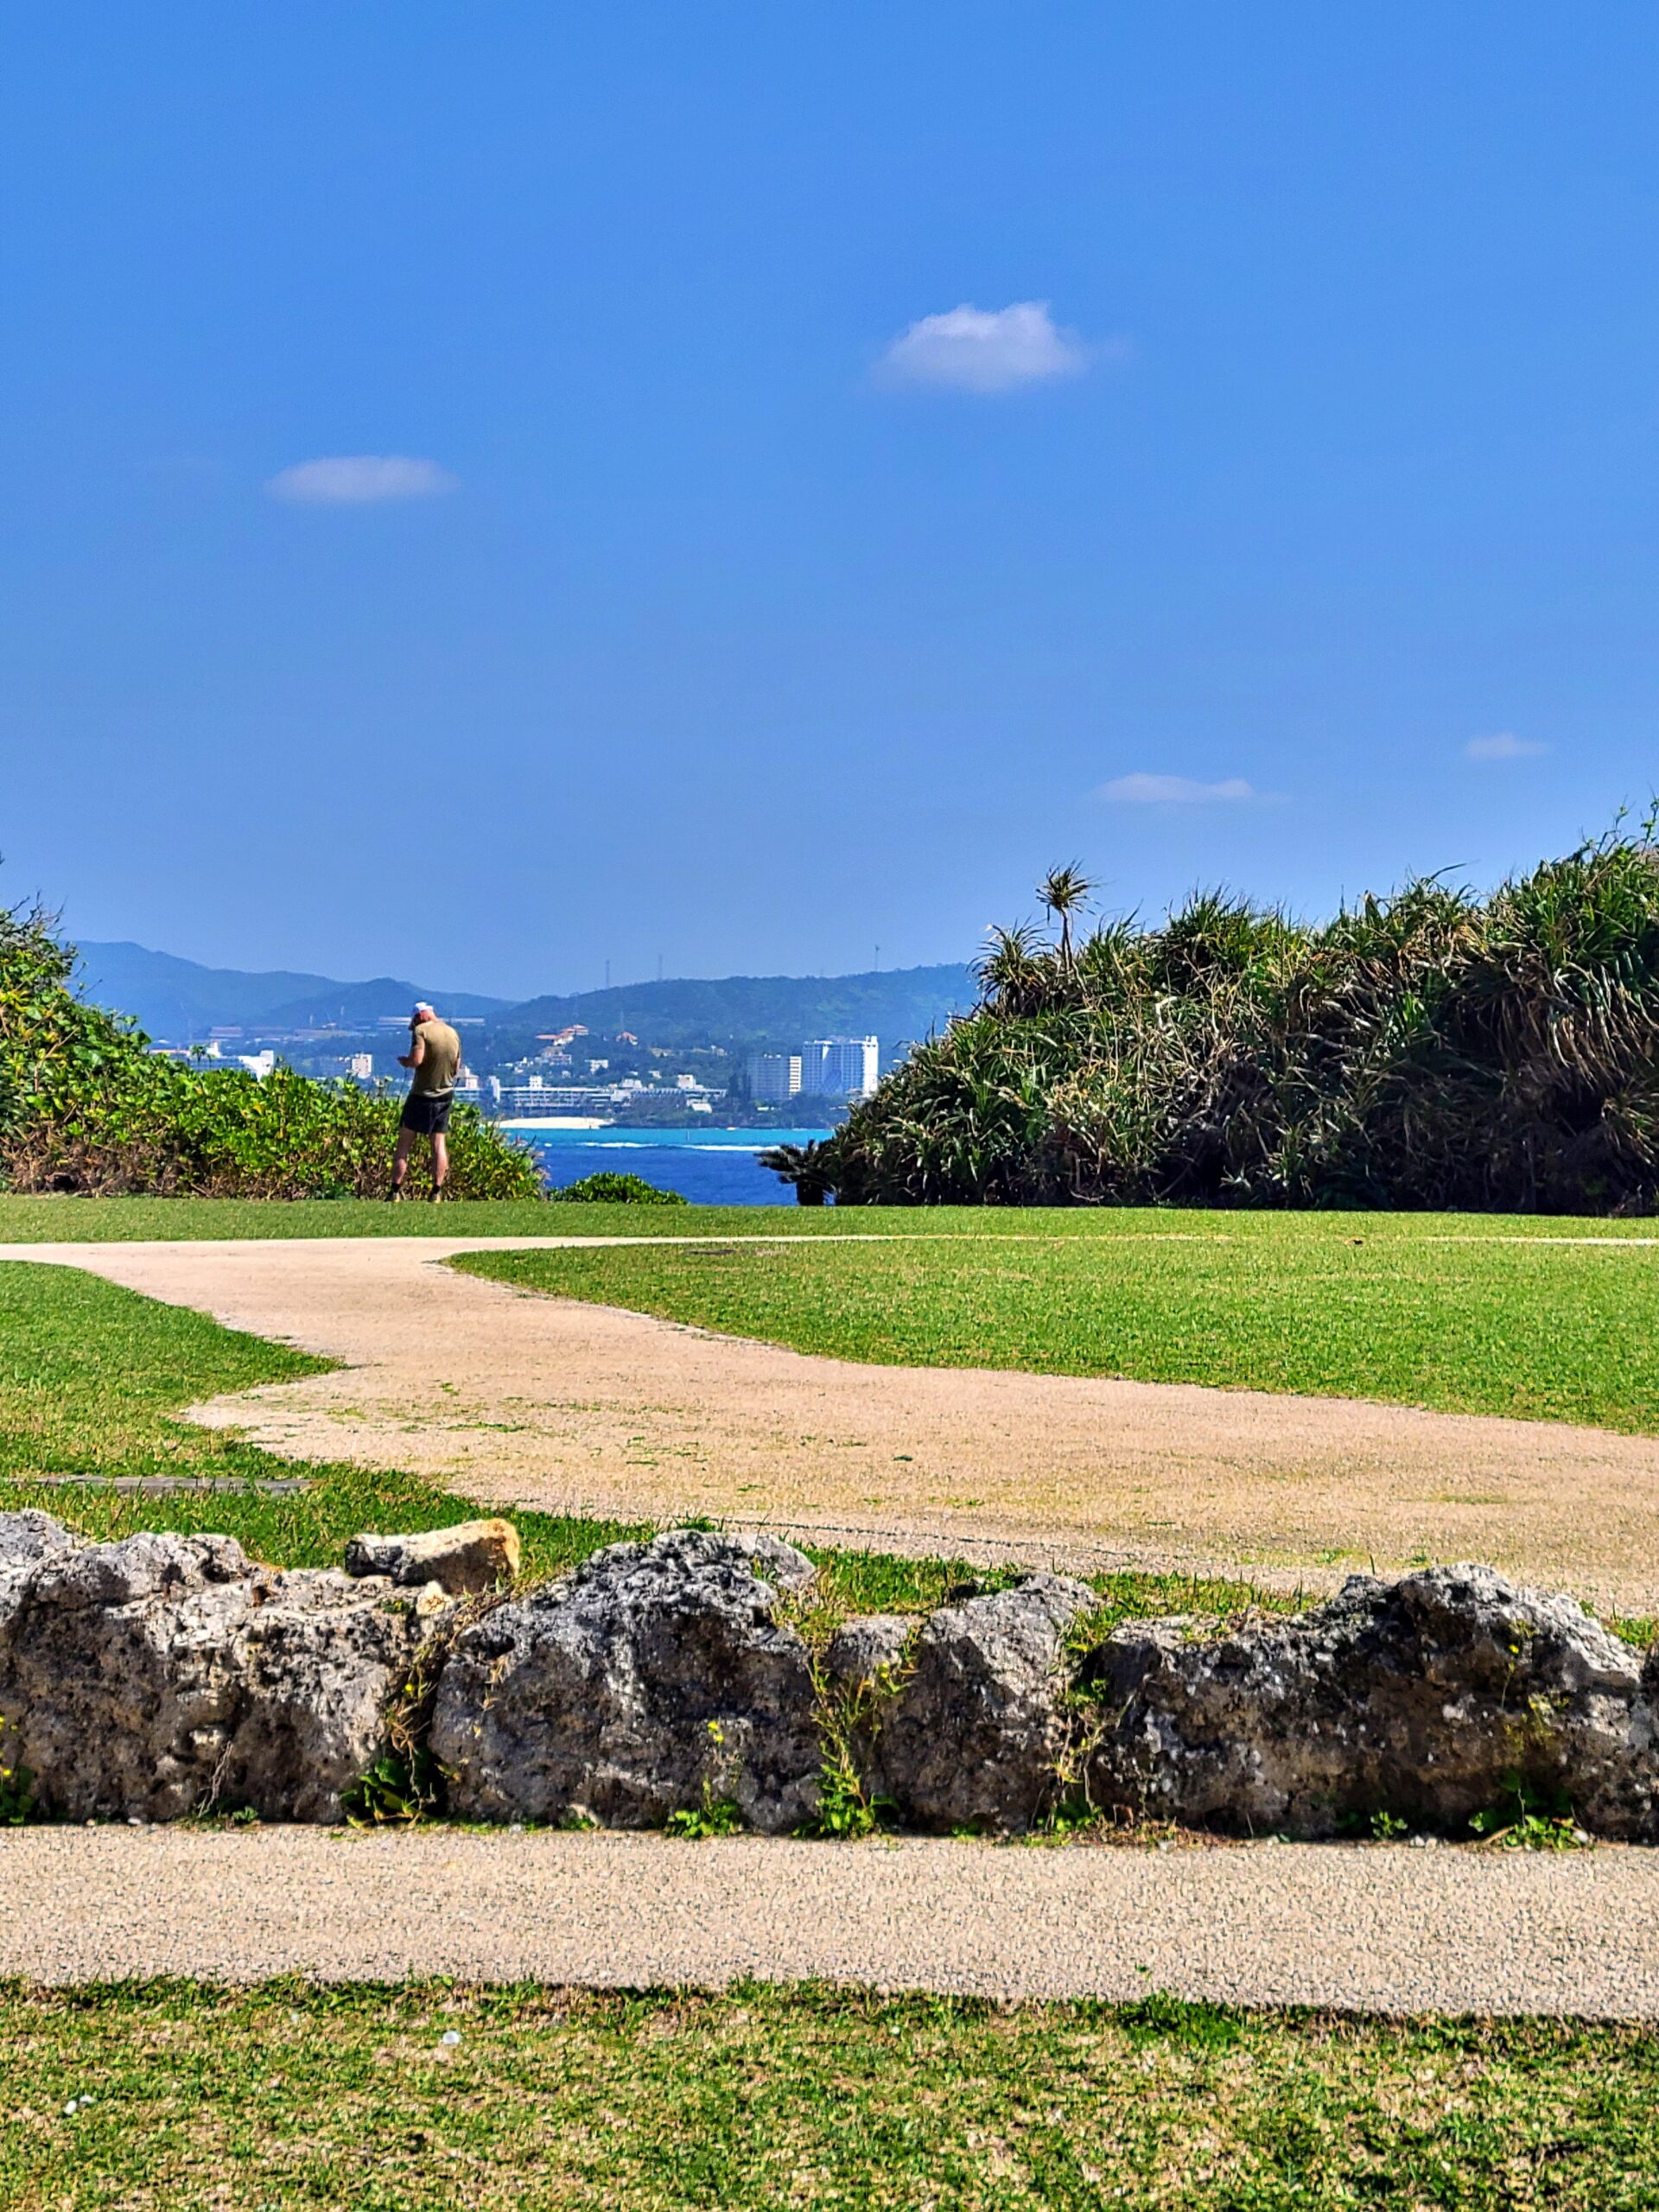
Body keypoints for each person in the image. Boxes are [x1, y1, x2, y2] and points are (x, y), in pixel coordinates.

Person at [389, 1001, 462, 1200]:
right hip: (445, 1095)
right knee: (439, 1144)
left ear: (419, 1016)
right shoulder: (452, 1033)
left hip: (421, 1096)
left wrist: (404, 1061)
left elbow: (417, 1060)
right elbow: (456, 1066)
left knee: (404, 1144)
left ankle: (395, 1191)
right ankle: (436, 1192)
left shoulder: (421, 1031)